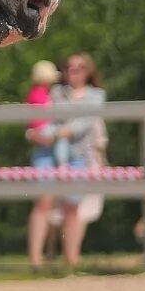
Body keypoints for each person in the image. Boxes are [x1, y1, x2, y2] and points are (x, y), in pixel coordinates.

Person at [29, 53, 107, 269]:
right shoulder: (56, 92)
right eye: (69, 67)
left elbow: (82, 125)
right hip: (50, 154)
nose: (73, 71)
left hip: (80, 156)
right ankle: (35, 259)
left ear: (88, 71)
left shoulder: (96, 95)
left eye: (79, 68)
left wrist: (53, 132)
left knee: (73, 208)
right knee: (43, 203)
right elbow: (42, 117)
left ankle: (71, 259)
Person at [23, 58, 61, 266]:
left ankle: (47, 253)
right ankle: (37, 255)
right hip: (46, 154)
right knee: (44, 204)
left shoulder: (43, 95)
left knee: (49, 206)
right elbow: (38, 129)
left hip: (49, 153)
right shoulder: (39, 96)